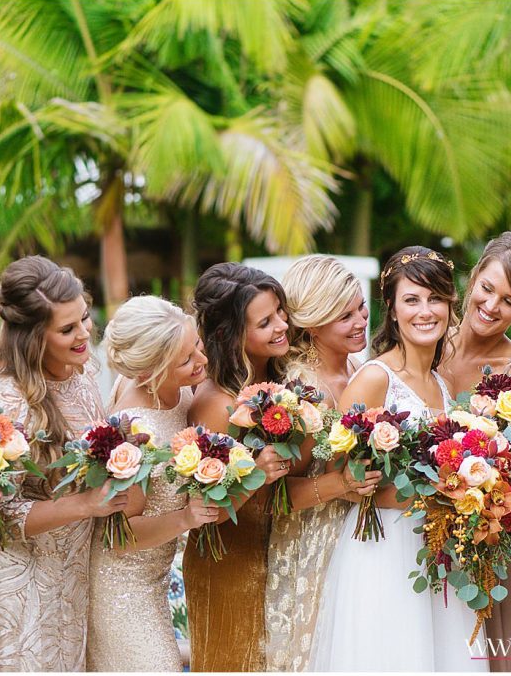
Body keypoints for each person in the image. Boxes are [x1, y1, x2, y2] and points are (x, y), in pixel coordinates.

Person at [0, 256, 128, 671]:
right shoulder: (5, 399)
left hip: (61, 577)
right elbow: (1, 513)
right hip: (2, 584)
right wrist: (86, 504)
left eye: (84, 318)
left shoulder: (80, 371)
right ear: (33, 338)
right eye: (67, 329)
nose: (84, 333)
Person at [309, 246, 487, 672]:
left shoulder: (442, 384)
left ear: (450, 305)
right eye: (412, 300)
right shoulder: (375, 378)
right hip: (385, 547)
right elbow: (342, 478)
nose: (425, 311)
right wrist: (427, 496)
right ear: (391, 309)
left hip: (440, 546)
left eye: (435, 298)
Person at [87, 295, 219, 671]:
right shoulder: (134, 431)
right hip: (124, 588)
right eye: (187, 359)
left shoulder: (180, 389)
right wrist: (186, 519)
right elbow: (118, 536)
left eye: (197, 345)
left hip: (160, 576)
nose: (202, 360)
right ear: (149, 372)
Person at [439, 232, 511, 673]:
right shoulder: (428, 345)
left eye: (509, 301)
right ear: (473, 280)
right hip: (431, 539)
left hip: (502, 547)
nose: (491, 306)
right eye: (487, 289)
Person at [265, 256, 381, 671]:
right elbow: (276, 495)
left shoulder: (358, 368)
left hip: (360, 539)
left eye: (360, 308)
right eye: (344, 316)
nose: (360, 321)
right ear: (313, 325)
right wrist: (342, 484)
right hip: (313, 546)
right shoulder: (302, 391)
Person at [183, 263, 289, 671]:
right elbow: (205, 513)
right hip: (227, 562)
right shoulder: (215, 403)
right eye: (265, 322)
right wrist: (258, 472)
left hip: (278, 554)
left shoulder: (279, 383)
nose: (282, 325)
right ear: (231, 336)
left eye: (280, 312)